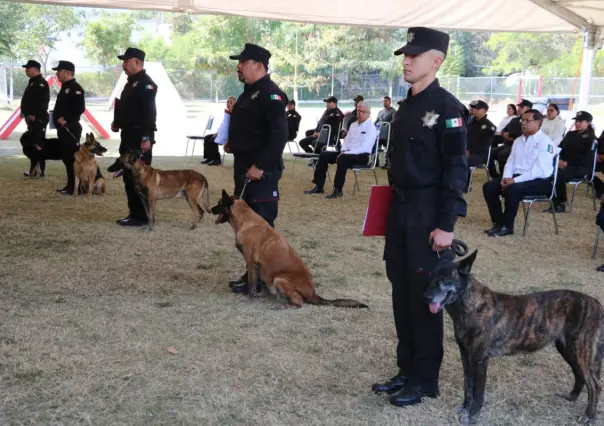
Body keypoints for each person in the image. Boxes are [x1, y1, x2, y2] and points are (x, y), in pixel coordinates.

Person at [372, 27, 468, 408]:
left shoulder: (448, 108)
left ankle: (425, 378)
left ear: (436, 60)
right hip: (400, 210)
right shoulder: (406, 107)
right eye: (405, 55)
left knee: (425, 297)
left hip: (428, 213)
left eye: (415, 54)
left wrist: (446, 224)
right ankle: (407, 369)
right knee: (401, 291)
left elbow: (456, 170)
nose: (407, 60)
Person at [224, 43, 288, 295]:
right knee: (246, 225)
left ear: (259, 66)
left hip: (261, 170)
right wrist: (233, 142)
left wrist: (261, 166)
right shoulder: (248, 92)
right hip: (244, 167)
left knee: (261, 224)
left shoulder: (271, 94)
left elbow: (279, 135)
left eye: (243, 62)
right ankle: (253, 273)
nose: (238, 66)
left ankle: (262, 277)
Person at [482, 109, 557, 237]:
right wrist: (506, 177)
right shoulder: (518, 141)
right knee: (489, 187)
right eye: (523, 120)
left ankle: (507, 226)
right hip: (517, 178)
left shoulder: (546, 142)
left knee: (512, 189)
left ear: (538, 122)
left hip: (539, 181)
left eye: (527, 121)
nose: (523, 123)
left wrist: (514, 181)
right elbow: (510, 162)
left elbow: (538, 170)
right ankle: (498, 222)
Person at [111, 47, 158, 227]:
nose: (123, 64)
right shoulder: (130, 83)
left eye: (126, 61)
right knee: (129, 176)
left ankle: (142, 216)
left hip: (139, 137)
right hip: (128, 135)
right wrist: (118, 122)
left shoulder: (146, 83)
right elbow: (128, 109)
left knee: (140, 178)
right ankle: (136, 213)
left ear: (137, 62)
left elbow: (149, 112)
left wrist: (146, 137)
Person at [303, 101, 376, 198]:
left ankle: (338, 189)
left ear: (369, 113)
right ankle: (319, 186)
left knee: (343, 159)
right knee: (324, 155)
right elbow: (346, 140)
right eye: (359, 111)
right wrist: (343, 150)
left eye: (364, 112)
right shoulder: (353, 124)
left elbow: (364, 147)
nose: (361, 114)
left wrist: (346, 153)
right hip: (347, 153)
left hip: (362, 155)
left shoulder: (371, 128)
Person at [547, 111, 596, 213]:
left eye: (580, 121)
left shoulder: (591, 139)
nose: (577, 123)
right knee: (547, 172)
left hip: (581, 167)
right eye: (576, 121)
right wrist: (559, 159)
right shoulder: (570, 134)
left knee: (559, 175)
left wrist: (568, 163)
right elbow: (560, 148)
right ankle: (552, 199)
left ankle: (561, 203)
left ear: (588, 123)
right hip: (565, 164)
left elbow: (587, 158)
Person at [51, 60, 85, 195]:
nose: (57, 74)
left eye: (58, 71)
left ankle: (75, 187)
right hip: (63, 128)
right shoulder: (65, 87)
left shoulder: (75, 88)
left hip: (70, 127)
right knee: (66, 157)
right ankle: (71, 185)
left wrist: (66, 119)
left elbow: (80, 108)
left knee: (71, 158)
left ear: (66, 72)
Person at [20, 59, 50, 177]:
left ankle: (40, 171)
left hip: (38, 119)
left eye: (28, 68)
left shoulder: (41, 83)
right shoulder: (33, 82)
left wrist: (35, 115)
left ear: (35, 69)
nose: (26, 70)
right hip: (31, 118)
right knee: (32, 144)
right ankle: (34, 170)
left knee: (38, 145)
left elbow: (43, 102)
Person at [465, 100, 496, 192]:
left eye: (478, 109)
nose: (475, 111)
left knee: (464, 160)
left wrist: (470, 151)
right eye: (474, 108)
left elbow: (485, 145)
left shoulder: (489, 126)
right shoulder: (469, 123)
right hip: (465, 151)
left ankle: (465, 185)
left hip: (480, 155)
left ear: (485, 110)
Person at [201, 96, 236, 166]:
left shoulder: (235, 114)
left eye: (231, 102)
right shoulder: (228, 113)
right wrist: (217, 133)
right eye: (227, 102)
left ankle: (217, 159)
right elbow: (223, 125)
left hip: (230, 136)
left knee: (212, 140)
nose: (228, 104)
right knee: (207, 137)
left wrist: (222, 136)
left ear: (235, 104)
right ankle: (209, 158)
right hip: (224, 133)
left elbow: (232, 128)